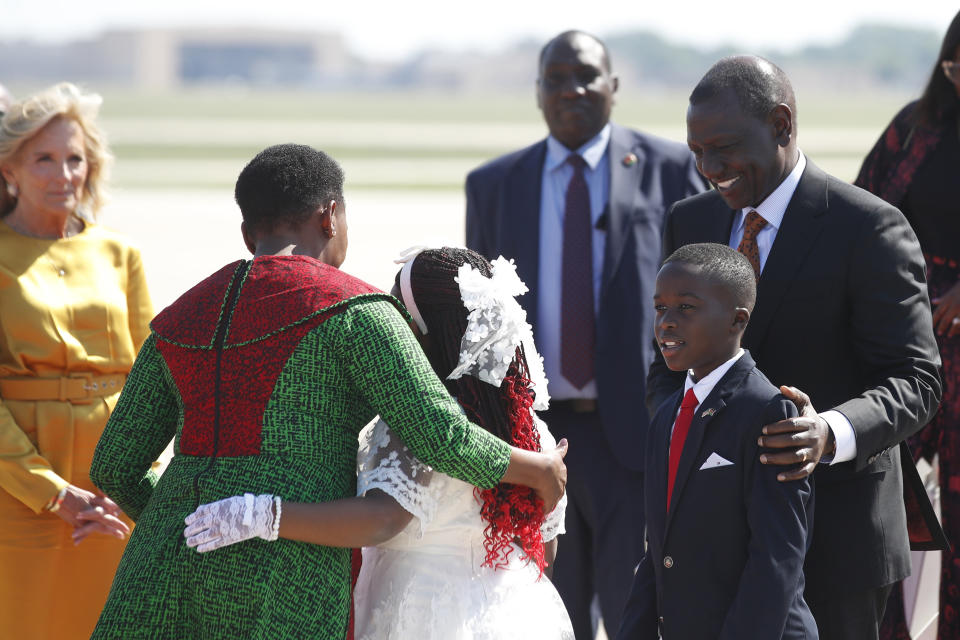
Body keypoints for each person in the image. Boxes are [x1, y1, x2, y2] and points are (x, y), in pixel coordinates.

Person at [89, 145, 568, 639]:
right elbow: (441, 436)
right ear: (330, 217)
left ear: (247, 231)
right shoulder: (357, 310)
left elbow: (113, 465)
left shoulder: (179, 317)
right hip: (286, 577)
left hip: (164, 563)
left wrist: (189, 523)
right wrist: (537, 468)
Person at [646, 55, 944, 640]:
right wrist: (680, 444)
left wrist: (828, 432)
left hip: (836, 544)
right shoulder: (690, 221)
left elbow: (917, 380)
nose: (709, 168)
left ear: (781, 124)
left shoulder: (869, 227)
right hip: (711, 542)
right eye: (696, 151)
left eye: (723, 148)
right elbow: (664, 367)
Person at [182, 247, 575, 639]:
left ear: (420, 333)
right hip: (516, 614)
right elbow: (546, 552)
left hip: (418, 610)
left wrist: (266, 515)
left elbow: (385, 518)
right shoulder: (533, 432)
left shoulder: (419, 423)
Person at [465, 29, 706, 638]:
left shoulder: (672, 169)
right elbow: (476, 316)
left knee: (636, 609)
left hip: (634, 431)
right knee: (544, 610)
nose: (571, 89)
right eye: (556, 78)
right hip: (535, 439)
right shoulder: (494, 185)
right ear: (539, 91)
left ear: (614, 87)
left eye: (587, 76)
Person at [0, 82, 151, 639]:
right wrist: (52, 493)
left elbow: (150, 379)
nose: (64, 174)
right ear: (9, 169)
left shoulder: (121, 253)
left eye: (75, 159)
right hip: (19, 492)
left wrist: (135, 479)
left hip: (114, 488)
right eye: (44, 158)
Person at [618, 242, 816, 639]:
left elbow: (776, 559)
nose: (667, 322)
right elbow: (657, 555)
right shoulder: (667, 417)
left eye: (686, 308)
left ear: (736, 320)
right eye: (660, 308)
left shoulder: (767, 412)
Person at [855, 11, 960, 640]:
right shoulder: (916, 128)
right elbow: (864, 215)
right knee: (876, 495)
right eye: (957, 63)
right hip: (909, 341)